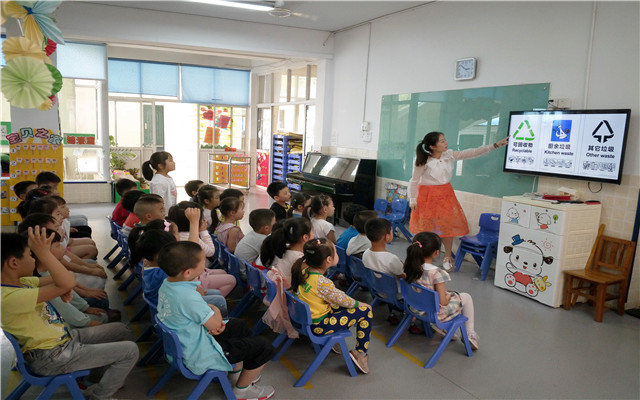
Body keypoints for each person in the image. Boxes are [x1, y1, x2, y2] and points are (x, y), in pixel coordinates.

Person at [1, 229, 138, 400]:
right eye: (30, 255)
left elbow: (66, 279)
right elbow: (66, 281)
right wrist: (44, 254)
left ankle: (95, 381)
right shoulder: (9, 297)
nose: (34, 259)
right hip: (52, 356)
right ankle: (100, 396)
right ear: (14, 263)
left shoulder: (22, 283)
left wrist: (63, 288)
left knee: (121, 330)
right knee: (130, 350)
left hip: (61, 341)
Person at [156, 241, 276, 400]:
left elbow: (197, 314)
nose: (204, 264)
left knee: (238, 326)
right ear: (187, 273)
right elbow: (215, 324)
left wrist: (211, 316)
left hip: (185, 343)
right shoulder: (188, 297)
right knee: (264, 346)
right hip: (198, 354)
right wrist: (215, 309)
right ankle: (242, 391)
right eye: (202, 262)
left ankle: (236, 374)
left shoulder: (167, 285)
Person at [409, 131, 508, 271]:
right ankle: (422, 257)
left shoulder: (449, 155)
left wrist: (495, 145)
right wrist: (412, 199)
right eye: (442, 141)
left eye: (445, 140)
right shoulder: (422, 160)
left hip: (445, 195)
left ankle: (447, 257)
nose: (446, 143)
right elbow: (413, 181)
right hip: (426, 197)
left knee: (447, 227)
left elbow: (473, 152)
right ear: (432, 146)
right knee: (426, 229)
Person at [291, 238, 373, 374]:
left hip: (305, 320)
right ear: (329, 260)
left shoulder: (304, 272)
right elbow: (342, 299)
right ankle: (360, 354)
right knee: (365, 311)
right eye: (336, 252)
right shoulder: (321, 282)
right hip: (319, 326)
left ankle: (334, 341)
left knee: (343, 307)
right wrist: (360, 304)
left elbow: (338, 299)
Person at [130, 219, 228, 316]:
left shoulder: (148, 265)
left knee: (216, 293)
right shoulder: (165, 272)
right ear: (159, 255)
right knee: (219, 300)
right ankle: (218, 324)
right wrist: (195, 293)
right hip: (174, 310)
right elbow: (179, 294)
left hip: (167, 303)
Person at [403, 231, 479, 350]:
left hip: (415, 307)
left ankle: (445, 329)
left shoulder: (409, 266)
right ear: (436, 253)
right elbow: (443, 302)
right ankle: (470, 334)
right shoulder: (437, 273)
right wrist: (447, 297)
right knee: (466, 297)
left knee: (444, 294)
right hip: (434, 314)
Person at [32, 229, 110, 328]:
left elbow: (69, 290)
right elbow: (66, 309)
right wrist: (89, 319)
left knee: (102, 304)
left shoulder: (46, 269)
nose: (62, 247)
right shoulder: (44, 279)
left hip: (71, 311)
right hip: (65, 325)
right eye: (58, 245)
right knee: (103, 313)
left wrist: (85, 307)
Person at [168, 201, 237, 296]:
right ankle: (210, 299)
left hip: (196, 273)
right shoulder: (191, 237)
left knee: (223, 272)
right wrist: (203, 231)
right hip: (196, 278)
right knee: (231, 280)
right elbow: (211, 252)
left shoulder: (175, 235)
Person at [361, 218, 405, 324]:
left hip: (377, 290)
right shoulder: (391, 259)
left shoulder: (366, 253)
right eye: (391, 231)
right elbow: (403, 276)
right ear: (387, 237)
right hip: (397, 295)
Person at [260, 218, 312, 288]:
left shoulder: (284, 249)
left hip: (280, 289)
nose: (313, 234)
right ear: (305, 237)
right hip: (289, 292)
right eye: (312, 231)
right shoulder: (300, 259)